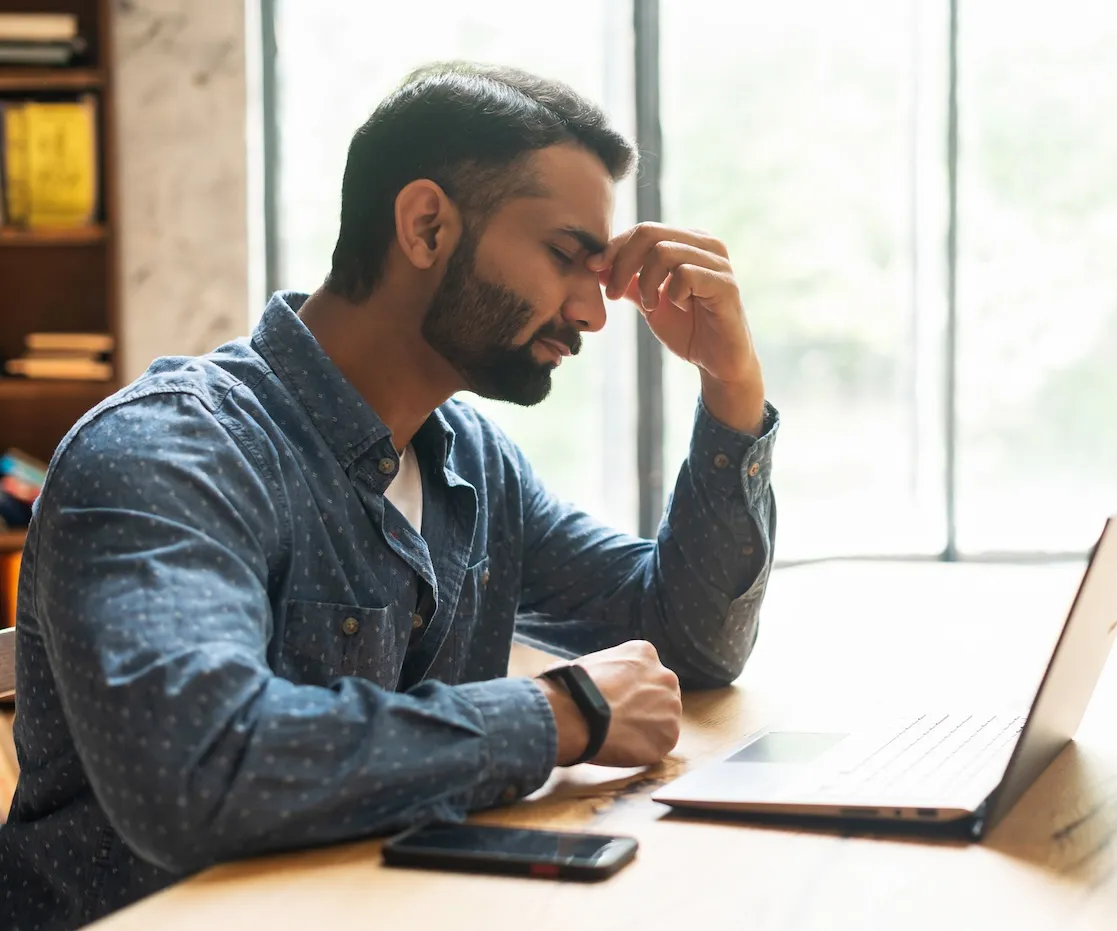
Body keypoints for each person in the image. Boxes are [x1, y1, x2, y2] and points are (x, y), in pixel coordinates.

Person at [0, 62, 777, 930]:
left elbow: (686, 640)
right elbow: (195, 770)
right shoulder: (168, 453)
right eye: (565, 255)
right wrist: (560, 713)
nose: (594, 312)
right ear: (425, 224)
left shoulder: (475, 467)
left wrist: (731, 384)